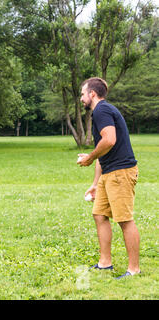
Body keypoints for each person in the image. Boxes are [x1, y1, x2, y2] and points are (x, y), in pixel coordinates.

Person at [78, 77, 140, 279]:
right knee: (99, 214)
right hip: (109, 173)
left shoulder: (102, 111)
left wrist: (89, 157)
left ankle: (134, 269)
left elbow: (109, 140)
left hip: (121, 173)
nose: (81, 98)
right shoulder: (101, 112)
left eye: (82, 94)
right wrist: (95, 184)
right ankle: (105, 263)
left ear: (92, 94)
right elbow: (103, 150)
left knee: (124, 220)